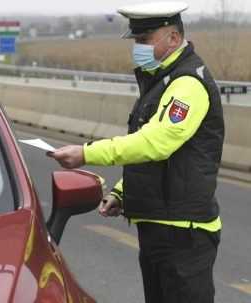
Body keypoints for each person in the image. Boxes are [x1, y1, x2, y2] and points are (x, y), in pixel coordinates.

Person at [47, 2, 224, 303]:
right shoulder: (159, 82)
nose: (138, 48)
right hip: (159, 228)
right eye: (136, 41)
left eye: (145, 40)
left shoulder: (187, 84)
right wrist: (122, 192)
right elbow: (155, 159)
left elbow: (157, 142)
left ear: (172, 37)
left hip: (184, 233)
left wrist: (87, 154)